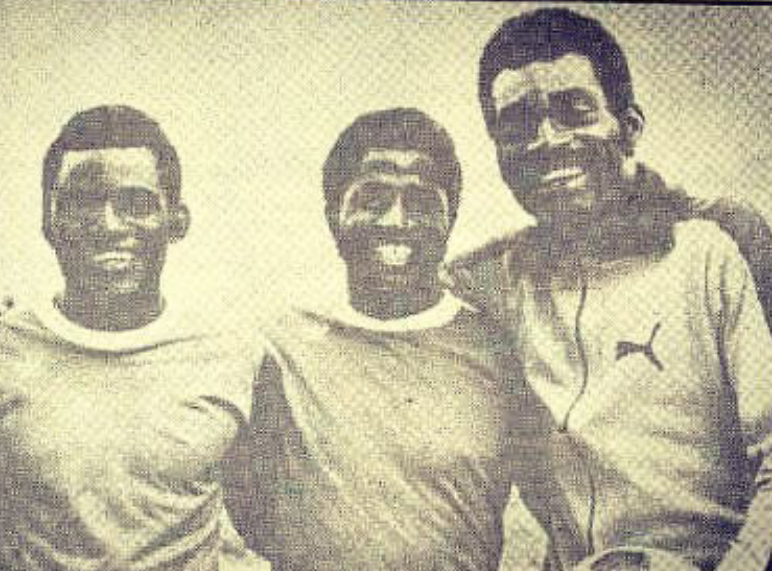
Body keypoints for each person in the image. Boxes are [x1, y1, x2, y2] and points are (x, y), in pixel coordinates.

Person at [453, 8, 772, 571]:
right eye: (518, 125)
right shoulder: (491, 282)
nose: (548, 141)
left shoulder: (713, 246)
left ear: (629, 127)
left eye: (575, 113)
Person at [0, 105, 266, 571]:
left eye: (136, 204)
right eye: (82, 203)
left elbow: (266, 517)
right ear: (49, 222)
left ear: (177, 221)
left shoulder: (234, 355)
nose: (108, 225)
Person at [222, 108, 541, 571]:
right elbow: (243, 495)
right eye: (373, 198)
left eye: (421, 201)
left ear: (449, 218)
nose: (397, 220)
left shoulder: (500, 350)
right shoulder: (278, 349)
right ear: (334, 215)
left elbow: (560, 497)